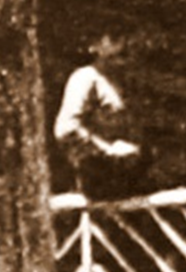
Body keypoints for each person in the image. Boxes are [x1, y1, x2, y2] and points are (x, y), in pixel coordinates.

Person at [53, 31, 145, 198]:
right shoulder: (85, 78)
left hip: (130, 182)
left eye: (125, 37)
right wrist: (107, 150)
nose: (122, 44)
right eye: (114, 38)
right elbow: (67, 128)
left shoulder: (126, 82)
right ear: (94, 45)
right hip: (98, 183)